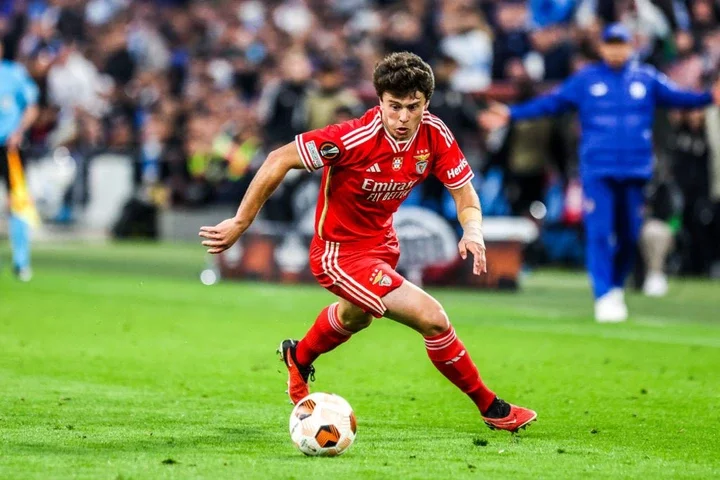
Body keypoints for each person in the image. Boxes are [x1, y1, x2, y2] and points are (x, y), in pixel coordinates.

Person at [199, 52, 537, 433]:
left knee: (355, 316)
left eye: (414, 107)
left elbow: (464, 192)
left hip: (382, 247)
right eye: (394, 107)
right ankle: (492, 407)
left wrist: (473, 229)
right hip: (338, 253)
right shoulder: (351, 138)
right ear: (380, 101)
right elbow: (280, 158)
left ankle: (299, 355)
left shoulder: (435, 134)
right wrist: (242, 221)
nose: (403, 118)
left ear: (426, 103)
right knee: (433, 319)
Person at [480, 24, 720, 323]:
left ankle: (616, 286)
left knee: (631, 234)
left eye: (622, 44)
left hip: (635, 170)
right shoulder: (586, 80)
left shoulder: (646, 79)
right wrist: (512, 114)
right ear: (603, 48)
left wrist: (709, 97)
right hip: (598, 169)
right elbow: (552, 103)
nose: (616, 49)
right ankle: (604, 292)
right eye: (611, 44)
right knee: (600, 232)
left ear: (630, 46)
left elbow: (680, 97)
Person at [0, 41, 40, 281]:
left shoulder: (14, 73)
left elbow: (32, 108)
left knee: (19, 202)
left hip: (10, 147)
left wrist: (19, 131)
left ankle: (21, 262)